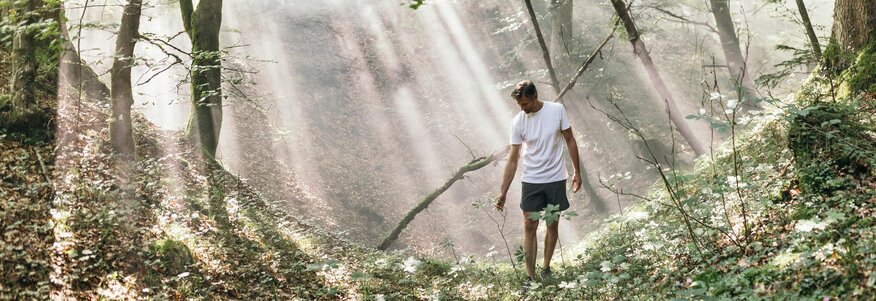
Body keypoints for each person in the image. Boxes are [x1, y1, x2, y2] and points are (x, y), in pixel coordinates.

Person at [495, 80, 582, 290]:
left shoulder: (556, 110)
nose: (522, 108)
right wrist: (503, 192)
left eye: (525, 104)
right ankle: (530, 277)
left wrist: (577, 172)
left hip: (555, 179)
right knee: (529, 225)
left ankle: (546, 267)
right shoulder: (518, 122)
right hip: (532, 181)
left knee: (552, 224)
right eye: (520, 105)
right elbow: (513, 159)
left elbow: (570, 139)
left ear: (535, 97)